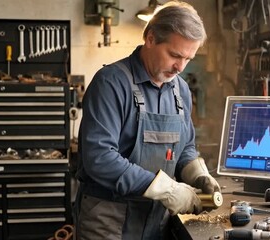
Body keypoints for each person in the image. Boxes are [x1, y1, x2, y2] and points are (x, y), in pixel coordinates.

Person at [74, 1, 221, 239]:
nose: (180, 67)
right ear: (151, 39)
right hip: (108, 220)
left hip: (155, 221)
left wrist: (198, 174)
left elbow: (185, 147)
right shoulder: (110, 83)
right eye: (174, 55)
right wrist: (168, 189)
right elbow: (99, 158)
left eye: (188, 59)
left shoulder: (180, 89)